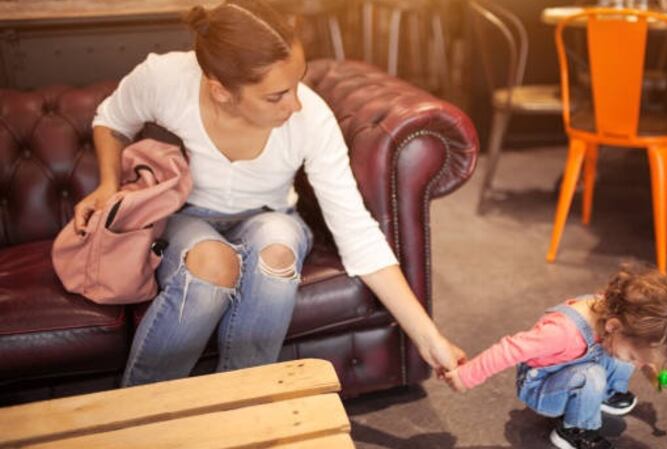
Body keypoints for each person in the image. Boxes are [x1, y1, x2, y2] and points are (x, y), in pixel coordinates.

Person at [74, 0, 465, 387]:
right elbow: (111, 120)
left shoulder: (311, 117)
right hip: (188, 217)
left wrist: (430, 338)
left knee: (276, 253)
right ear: (221, 92)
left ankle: (243, 402)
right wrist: (108, 184)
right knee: (212, 264)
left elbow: (357, 233)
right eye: (277, 96)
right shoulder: (164, 79)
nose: (295, 105)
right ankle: (142, 413)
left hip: (271, 215)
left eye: (298, 83)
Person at [444, 265, 667, 449]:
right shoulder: (560, 333)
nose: (639, 366)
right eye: (638, 358)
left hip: (574, 369)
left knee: (616, 356)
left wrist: (656, 372)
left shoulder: (622, 316)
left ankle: (607, 393)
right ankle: (575, 430)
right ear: (612, 326)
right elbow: (509, 349)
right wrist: (466, 376)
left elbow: (637, 352)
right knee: (594, 373)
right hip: (541, 389)